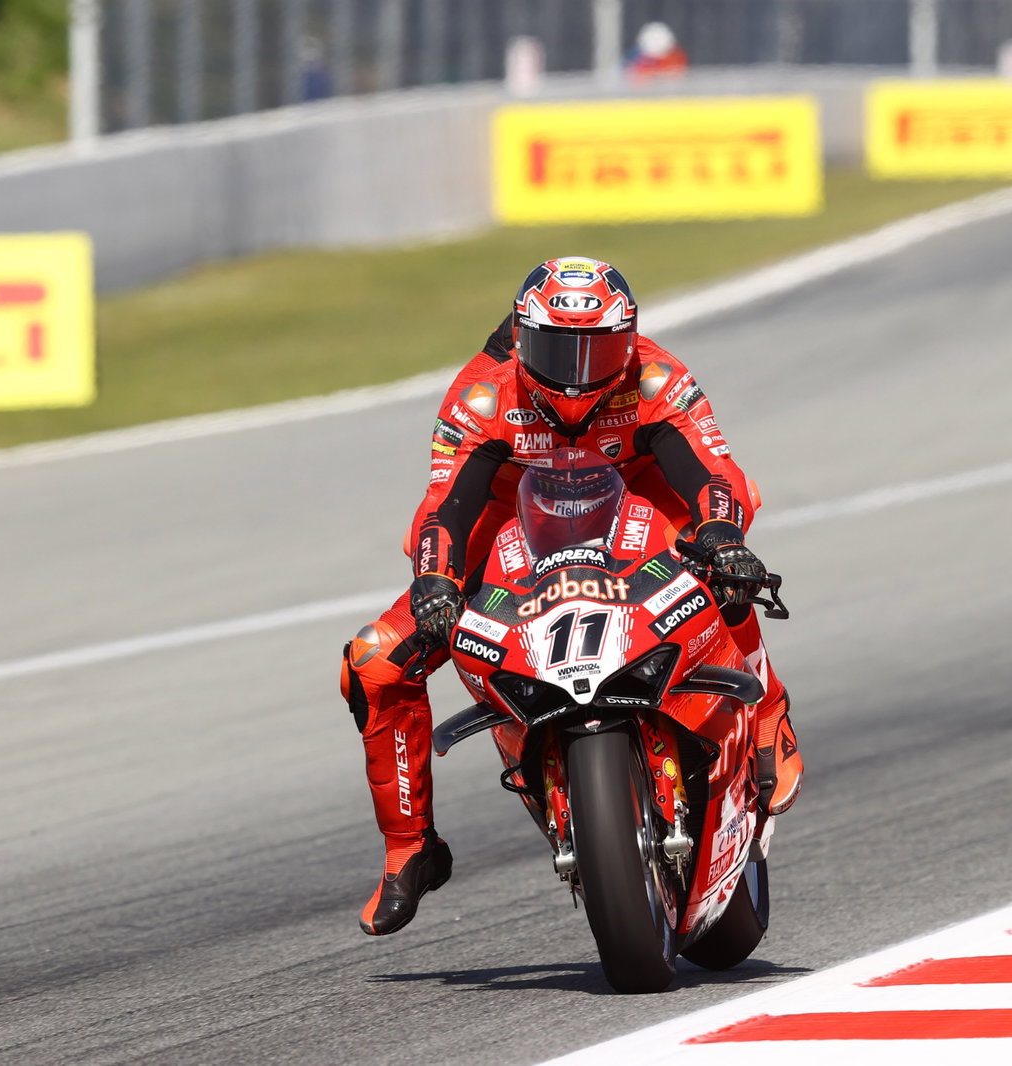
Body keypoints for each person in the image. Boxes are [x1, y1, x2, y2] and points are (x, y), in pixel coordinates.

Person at [338, 256, 803, 936]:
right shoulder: (481, 399)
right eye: (560, 348)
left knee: (726, 559)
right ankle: (411, 849)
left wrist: (724, 536)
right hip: (509, 530)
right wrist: (435, 582)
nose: (578, 372)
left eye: (600, 349)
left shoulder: (656, 379)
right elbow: (444, 509)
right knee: (372, 664)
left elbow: (715, 472)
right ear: (523, 340)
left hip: (639, 509)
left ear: (631, 338)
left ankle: (765, 714)